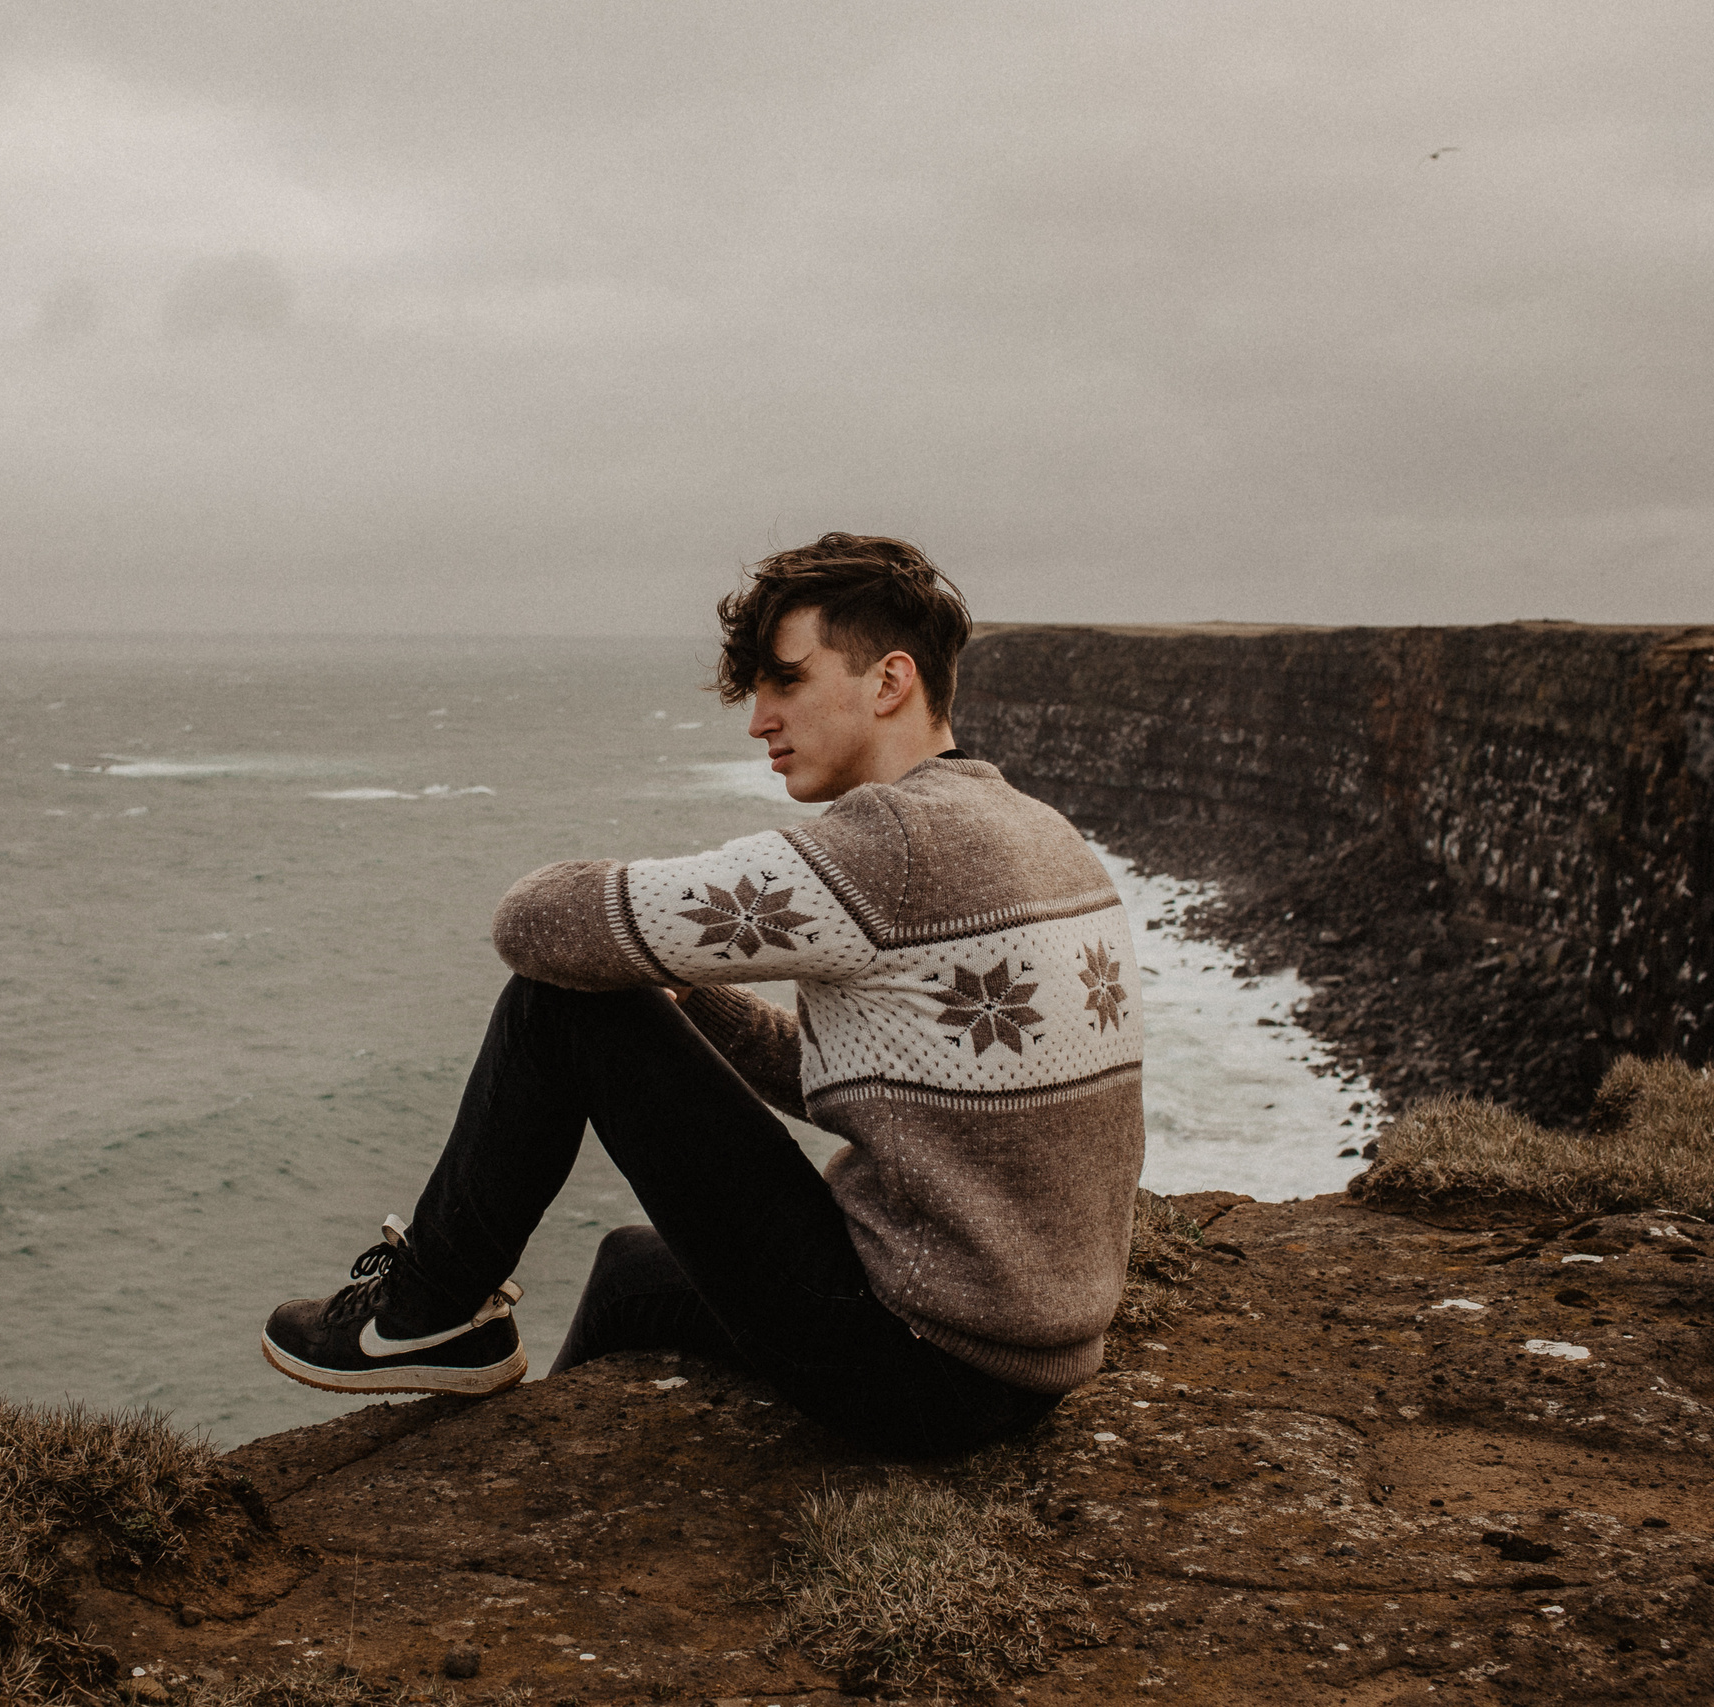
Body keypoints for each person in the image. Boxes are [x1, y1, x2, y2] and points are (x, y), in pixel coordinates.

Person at [260, 533, 1144, 1457]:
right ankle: (538, 1466)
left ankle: (426, 1306)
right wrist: (694, 1002)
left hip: (920, 1363)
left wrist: (643, 960)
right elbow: (909, 1093)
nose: (760, 718)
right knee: (625, 1269)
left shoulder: (890, 843)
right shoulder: (1036, 829)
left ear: (889, 683)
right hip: (1029, 1361)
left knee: (557, 1005)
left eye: (787, 682)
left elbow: (534, 922)